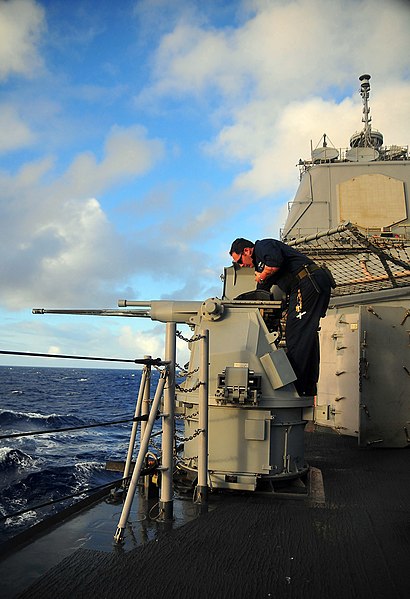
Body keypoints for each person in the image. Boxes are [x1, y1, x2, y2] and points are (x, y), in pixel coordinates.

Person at [229, 237, 333, 396]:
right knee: (305, 333)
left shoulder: (263, 246)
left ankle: (297, 386)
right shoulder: (261, 264)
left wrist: (262, 275)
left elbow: (275, 262)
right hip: (307, 285)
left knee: (297, 334)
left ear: (247, 251)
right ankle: (307, 386)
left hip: (308, 282)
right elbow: (261, 292)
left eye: (240, 261)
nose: (241, 265)